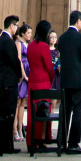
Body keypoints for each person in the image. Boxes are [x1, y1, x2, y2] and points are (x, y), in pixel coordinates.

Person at [58, 9, 81, 154]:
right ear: (78, 21)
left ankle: (62, 142)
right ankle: (73, 143)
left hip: (65, 79)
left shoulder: (62, 38)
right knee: (78, 111)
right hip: (78, 79)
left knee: (65, 110)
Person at [27, 19, 55, 151]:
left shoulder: (31, 45)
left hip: (32, 80)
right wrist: (52, 78)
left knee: (32, 113)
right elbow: (49, 66)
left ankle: (32, 140)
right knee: (43, 111)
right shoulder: (44, 47)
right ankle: (42, 139)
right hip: (43, 81)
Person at [0, 15, 22, 154]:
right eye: (16, 25)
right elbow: (15, 60)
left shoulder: (0, 40)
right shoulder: (8, 41)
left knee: (2, 112)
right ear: (11, 26)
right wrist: (19, 75)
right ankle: (7, 145)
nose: (17, 28)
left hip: (2, 80)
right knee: (9, 113)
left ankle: (0, 143)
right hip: (9, 81)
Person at [14, 23, 30, 142]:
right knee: (17, 102)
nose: (30, 35)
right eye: (28, 33)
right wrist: (23, 74)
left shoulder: (27, 44)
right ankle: (14, 130)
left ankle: (20, 129)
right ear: (22, 33)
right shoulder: (19, 43)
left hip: (28, 72)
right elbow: (18, 59)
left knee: (23, 102)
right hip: (21, 73)